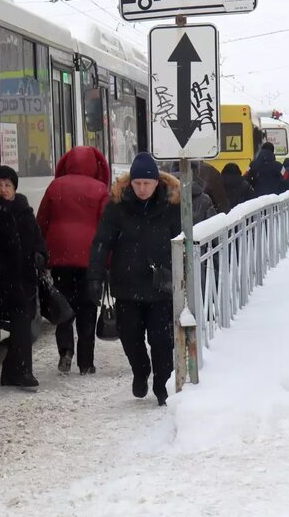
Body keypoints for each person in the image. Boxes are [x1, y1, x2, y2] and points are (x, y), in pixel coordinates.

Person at [88, 153, 182, 406]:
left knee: (161, 341)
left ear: (156, 183)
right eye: (137, 183)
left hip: (161, 286)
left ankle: (162, 384)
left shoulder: (172, 206)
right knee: (130, 337)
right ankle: (140, 371)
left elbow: (184, 243)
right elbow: (102, 242)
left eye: (147, 183)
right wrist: (95, 276)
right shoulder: (118, 206)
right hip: (126, 285)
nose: (142, 189)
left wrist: (186, 275)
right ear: (130, 183)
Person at [37, 147, 110, 376]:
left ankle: (66, 351)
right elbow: (106, 228)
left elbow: (42, 220)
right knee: (88, 310)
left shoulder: (55, 186)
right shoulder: (100, 189)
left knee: (63, 306)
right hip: (90, 260)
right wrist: (107, 261)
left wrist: (42, 252)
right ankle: (86, 362)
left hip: (60, 258)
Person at [0, 166, 47, 389]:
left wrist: (40, 255)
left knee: (24, 322)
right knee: (21, 322)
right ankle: (21, 371)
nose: (3, 189)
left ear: (15, 188)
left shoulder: (23, 209)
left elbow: (37, 237)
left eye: (8, 185)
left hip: (24, 276)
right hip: (1, 279)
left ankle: (11, 371)